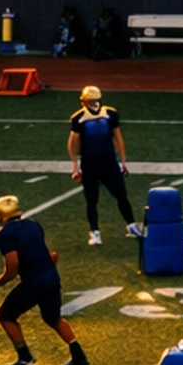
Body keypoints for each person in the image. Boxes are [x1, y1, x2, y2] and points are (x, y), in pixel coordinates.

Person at [0, 194, 89, 365]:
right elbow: (45, 253)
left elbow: (12, 265)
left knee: (4, 315)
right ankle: (79, 356)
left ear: (1, 215)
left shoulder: (5, 235)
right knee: (53, 318)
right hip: (50, 276)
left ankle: (24, 355)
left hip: (35, 281)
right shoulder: (33, 225)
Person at [66, 84, 142, 248]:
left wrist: (123, 161)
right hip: (90, 163)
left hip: (108, 161)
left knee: (121, 194)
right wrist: (75, 165)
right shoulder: (79, 118)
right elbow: (73, 143)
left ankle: (131, 225)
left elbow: (117, 137)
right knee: (92, 200)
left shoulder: (109, 114)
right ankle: (95, 231)